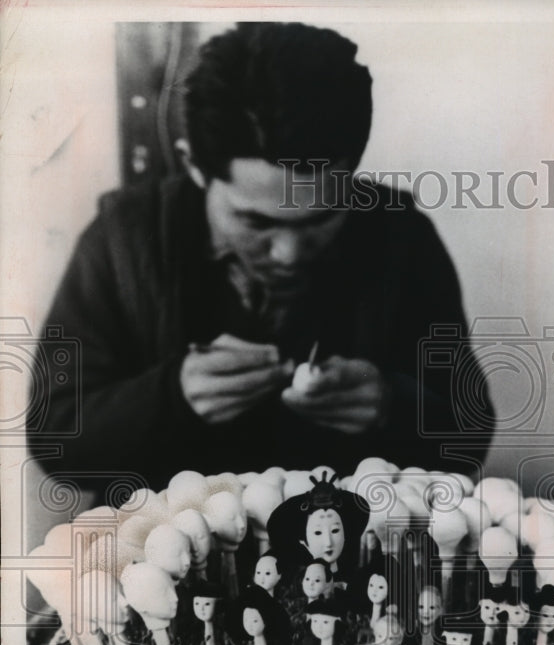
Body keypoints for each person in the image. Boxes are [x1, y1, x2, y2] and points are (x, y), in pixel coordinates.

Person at [31, 21, 493, 495]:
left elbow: (469, 436)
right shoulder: (122, 238)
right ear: (194, 165)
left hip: (352, 554)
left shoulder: (400, 233)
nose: (288, 255)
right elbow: (55, 445)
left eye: (322, 218)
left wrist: (390, 405)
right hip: (168, 558)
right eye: (256, 222)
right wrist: (170, 399)